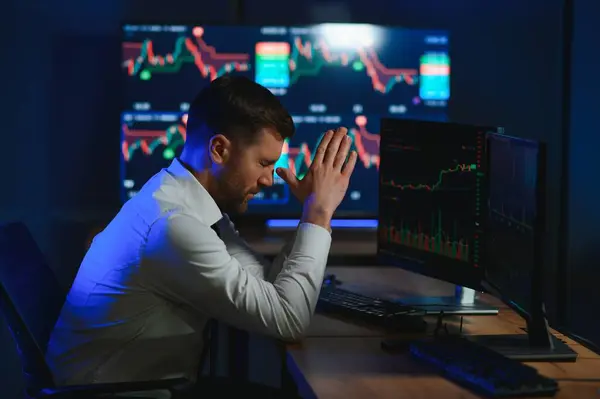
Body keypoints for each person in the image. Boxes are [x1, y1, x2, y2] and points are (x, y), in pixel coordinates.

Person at [45, 75, 357, 396]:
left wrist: (311, 211)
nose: (268, 179)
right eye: (263, 163)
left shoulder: (187, 201)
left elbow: (268, 290)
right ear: (219, 149)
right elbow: (288, 320)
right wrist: (318, 214)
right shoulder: (175, 227)